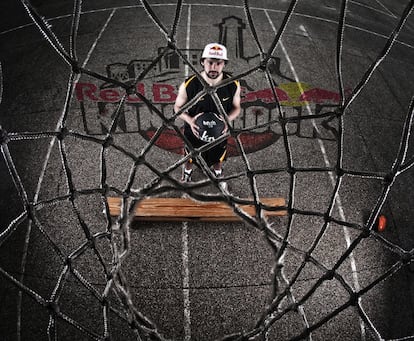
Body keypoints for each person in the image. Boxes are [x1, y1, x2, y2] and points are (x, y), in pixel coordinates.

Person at [174, 43, 241, 183]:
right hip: (195, 130)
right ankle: (187, 173)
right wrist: (190, 121)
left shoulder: (233, 84)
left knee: (218, 156)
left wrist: (227, 120)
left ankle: (218, 173)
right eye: (210, 62)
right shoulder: (190, 84)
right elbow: (177, 107)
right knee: (190, 157)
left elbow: (236, 107)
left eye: (218, 63)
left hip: (220, 130)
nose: (213, 67)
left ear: (224, 64)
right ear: (202, 62)